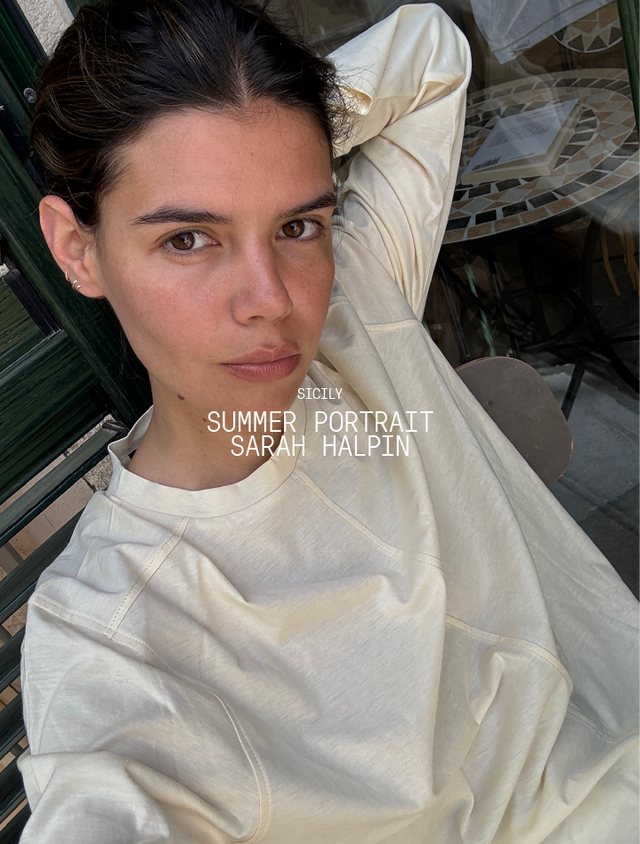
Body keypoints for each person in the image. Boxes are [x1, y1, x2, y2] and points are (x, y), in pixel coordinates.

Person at [17, 0, 640, 841]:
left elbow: (431, 51)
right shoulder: (108, 636)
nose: (271, 301)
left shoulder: (357, 308)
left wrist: (289, 123)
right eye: (190, 239)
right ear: (77, 248)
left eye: (298, 224)